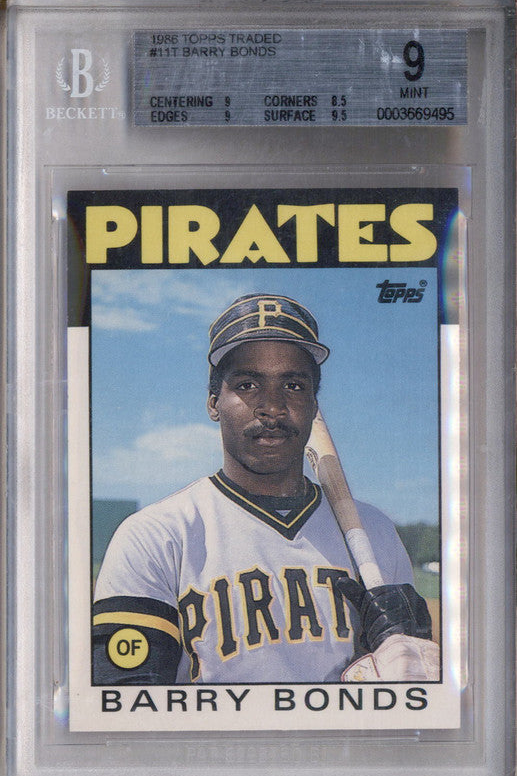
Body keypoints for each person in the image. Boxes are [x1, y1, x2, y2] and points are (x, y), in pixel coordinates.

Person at [93, 293, 432, 685]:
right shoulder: (156, 536)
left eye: (293, 385)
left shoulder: (375, 534)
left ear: (314, 406)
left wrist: (405, 669)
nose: (272, 405)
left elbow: (412, 702)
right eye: (248, 384)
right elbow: (126, 701)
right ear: (214, 403)